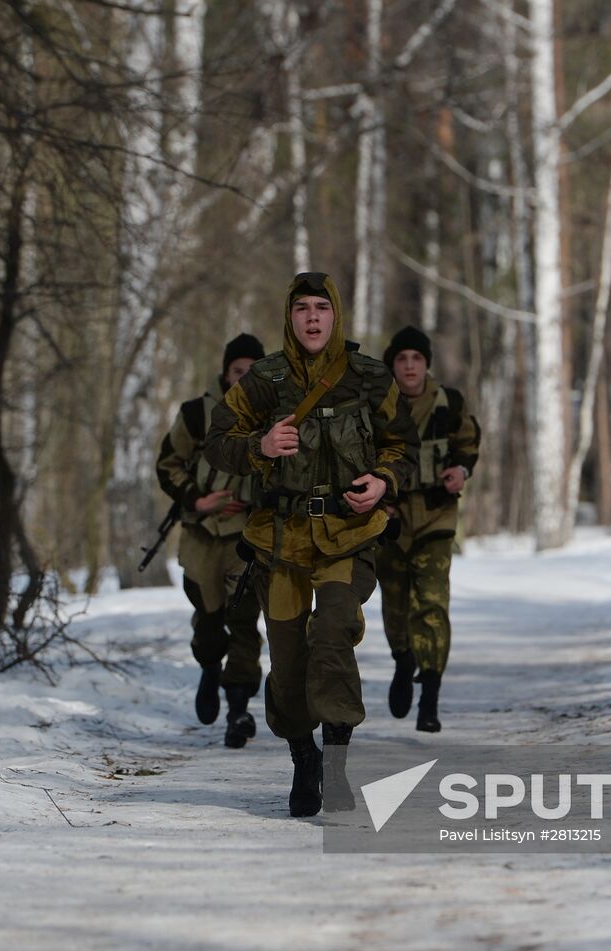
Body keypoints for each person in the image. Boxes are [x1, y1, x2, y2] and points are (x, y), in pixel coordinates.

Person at [204, 272, 418, 818]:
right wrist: (260, 445)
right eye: (303, 308)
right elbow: (216, 441)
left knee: (332, 632)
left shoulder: (369, 378)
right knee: (289, 658)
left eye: (322, 307)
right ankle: (304, 754)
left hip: (349, 535)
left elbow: (403, 445)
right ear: (289, 317)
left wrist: (384, 481)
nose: (314, 318)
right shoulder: (264, 381)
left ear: (336, 313)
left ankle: (338, 761)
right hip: (280, 540)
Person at [156, 333, 267, 748]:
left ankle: (238, 708)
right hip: (201, 535)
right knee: (208, 619)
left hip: (246, 538)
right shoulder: (197, 415)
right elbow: (168, 464)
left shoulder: (272, 419)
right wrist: (197, 499)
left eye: (254, 372)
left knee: (243, 622)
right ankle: (208, 666)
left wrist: (253, 502)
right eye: (239, 371)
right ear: (225, 373)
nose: (245, 379)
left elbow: (285, 475)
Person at [376, 326, 480, 733]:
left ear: (426, 364)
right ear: (393, 365)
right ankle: (404, 660)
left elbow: (468, 444)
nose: (409, 366)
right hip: (390, 518)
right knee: (396, 603)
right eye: (401, 359)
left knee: (433, 604)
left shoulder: (448, 403)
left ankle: (430, 696)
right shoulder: (379, 406)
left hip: (436, 515)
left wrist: (461, 469)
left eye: (416, 359)